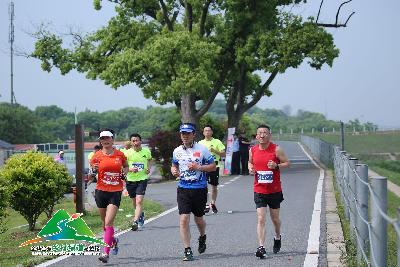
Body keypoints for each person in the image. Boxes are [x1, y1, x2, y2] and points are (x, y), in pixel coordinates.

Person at [171, 123, 216, 261]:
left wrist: (198, 167)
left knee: (199, 219)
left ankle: (202, 236)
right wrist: (173, 170)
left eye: (188, 133)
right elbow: (174, 164)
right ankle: (187, 250)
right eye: (182, 133)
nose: (185, 136)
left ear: (194, 134)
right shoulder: (177, 150)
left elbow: (213, 166)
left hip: (199, 189)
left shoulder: (202, 149)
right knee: (184, 219)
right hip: (183, 189)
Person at [248, 125, 290, 259]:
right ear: (256, 136)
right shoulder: (252, 150)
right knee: (261, 218)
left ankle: (277, 236)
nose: (262, 135)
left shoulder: (276, 149)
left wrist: (277, 165)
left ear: (269, 135)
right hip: (259, 189)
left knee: (275, 219)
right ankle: (261, 246)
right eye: (259, 133)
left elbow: (287, 163)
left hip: (274, 190)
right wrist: (250, 168)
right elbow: (250, 163)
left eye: (265, 133)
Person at [90, 129, 128, 263]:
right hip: (101, 191)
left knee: (108, 222)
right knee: (104, 225)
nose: (105, 141)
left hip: (115, 192)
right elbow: (93, 170)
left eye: (108, 138)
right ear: (100, 141)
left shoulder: (120, 155)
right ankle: (113, 240)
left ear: (112, 140)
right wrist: (93, 170)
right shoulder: (96, 156)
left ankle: (105, 253)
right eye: (103, 139)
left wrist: (125, 174)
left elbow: (126, 166)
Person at [123, 133, 152, 231]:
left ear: (141, 141)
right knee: (135, 201)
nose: (135, 143)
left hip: (142, 179)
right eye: (133, 141)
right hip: (130, 179)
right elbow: (123, 167)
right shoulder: (127, 153)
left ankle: (135, 221)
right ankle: (140, 214)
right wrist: (130, 169)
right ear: (131, 143)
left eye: (137, 140)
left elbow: (150, 160)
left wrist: (148, 168)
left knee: (139, 200)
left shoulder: (146, 151)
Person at [199, 125, 226, 213]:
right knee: (203, 186)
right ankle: (205, 204)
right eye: (205, 130)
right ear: (203, 133)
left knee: (214, 186)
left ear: (212, 132)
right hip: (204, 167)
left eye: (209, 130)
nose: (207, 132)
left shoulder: (217, 142)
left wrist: (214, 151)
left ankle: (213, 203)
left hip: (214, 167)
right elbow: (196, 155)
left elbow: (223, 154)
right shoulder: (200, 143)